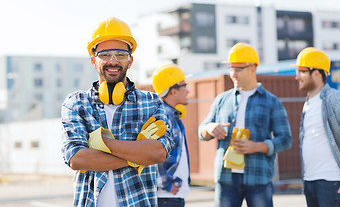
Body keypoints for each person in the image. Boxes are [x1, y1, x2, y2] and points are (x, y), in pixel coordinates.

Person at [61, 17, 174, 207]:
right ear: (93, 61)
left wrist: (102, 143)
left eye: (121, 55)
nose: (113, 61)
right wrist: (137, 156)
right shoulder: (76, 103)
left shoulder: (151, 102)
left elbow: (158, 153)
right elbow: (77, 159)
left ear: (130, 61)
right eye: (105, 55)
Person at [198, 43, 292, 207]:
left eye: (239, 68)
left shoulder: (272, 102)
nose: (233, 74)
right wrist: (210, 128)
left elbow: (285, 139)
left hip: (258, 177)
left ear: (253, 68)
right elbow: (202, 130)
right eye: (230, 68)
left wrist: (257, 146)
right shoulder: (221, 100)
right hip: (226, 178)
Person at [293, 47, 340, 207]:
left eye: (302, 71)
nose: (297, 77)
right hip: (310, 181)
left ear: (317, 73)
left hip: (331, 182)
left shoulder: (335, 99)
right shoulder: (308, 103)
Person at [152, 64, 191, 207]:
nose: (188, 91)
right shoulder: (164, 117)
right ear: (173, 91)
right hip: (166, 197)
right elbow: (156, 154)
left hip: (171, 196)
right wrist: (166, 184)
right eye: (184, 86)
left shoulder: (172, 116)